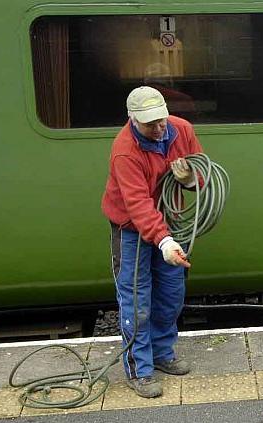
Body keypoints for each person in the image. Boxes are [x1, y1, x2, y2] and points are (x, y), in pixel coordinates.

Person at [101, 86, 202, 398]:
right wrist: (164, 242)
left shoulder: (181, 130)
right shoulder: (125, 150)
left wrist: (189, 179)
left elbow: (202, 174)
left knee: (171, 294)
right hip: (131, 229)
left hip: (169, 222)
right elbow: (138, 205)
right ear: (133, 120)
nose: (159, 128)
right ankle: (139, 370)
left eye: (161, 120)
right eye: (150, 124)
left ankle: (162, 353)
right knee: (136, 301)